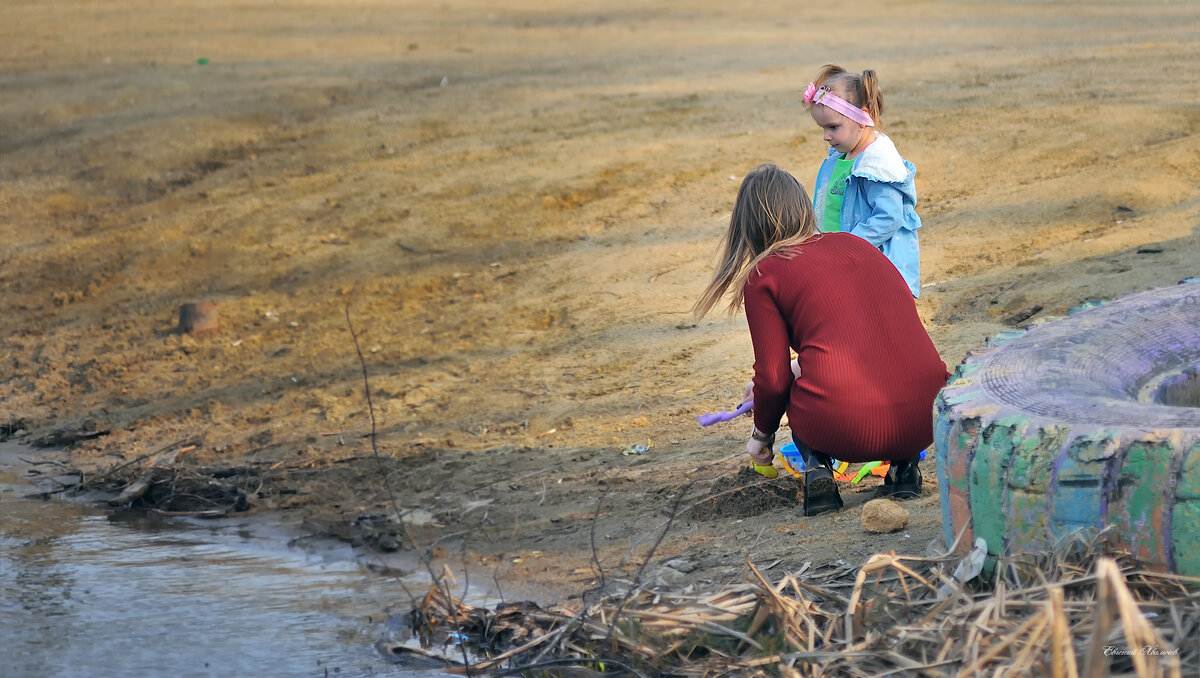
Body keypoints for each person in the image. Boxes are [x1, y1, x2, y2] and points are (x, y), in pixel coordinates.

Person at [694, 163, 948, 516]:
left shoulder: (766, 273)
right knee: (885, 364)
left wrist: (762, 436)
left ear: (746, 227)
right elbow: (870, 342)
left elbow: (772, 379)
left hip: (845, 429)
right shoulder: (856, 245)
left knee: (795, 387)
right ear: (804, 208)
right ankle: (904, 469)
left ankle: (818, 473)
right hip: (927, 417)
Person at [804, 64, 923, 298]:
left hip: (873, 270)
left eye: (833, 127)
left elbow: (889, 216)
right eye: (823, 128)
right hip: (840, 259)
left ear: (862, 117)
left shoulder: (876, 166)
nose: (826, 136)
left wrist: (851, 245)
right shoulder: (840, 157)